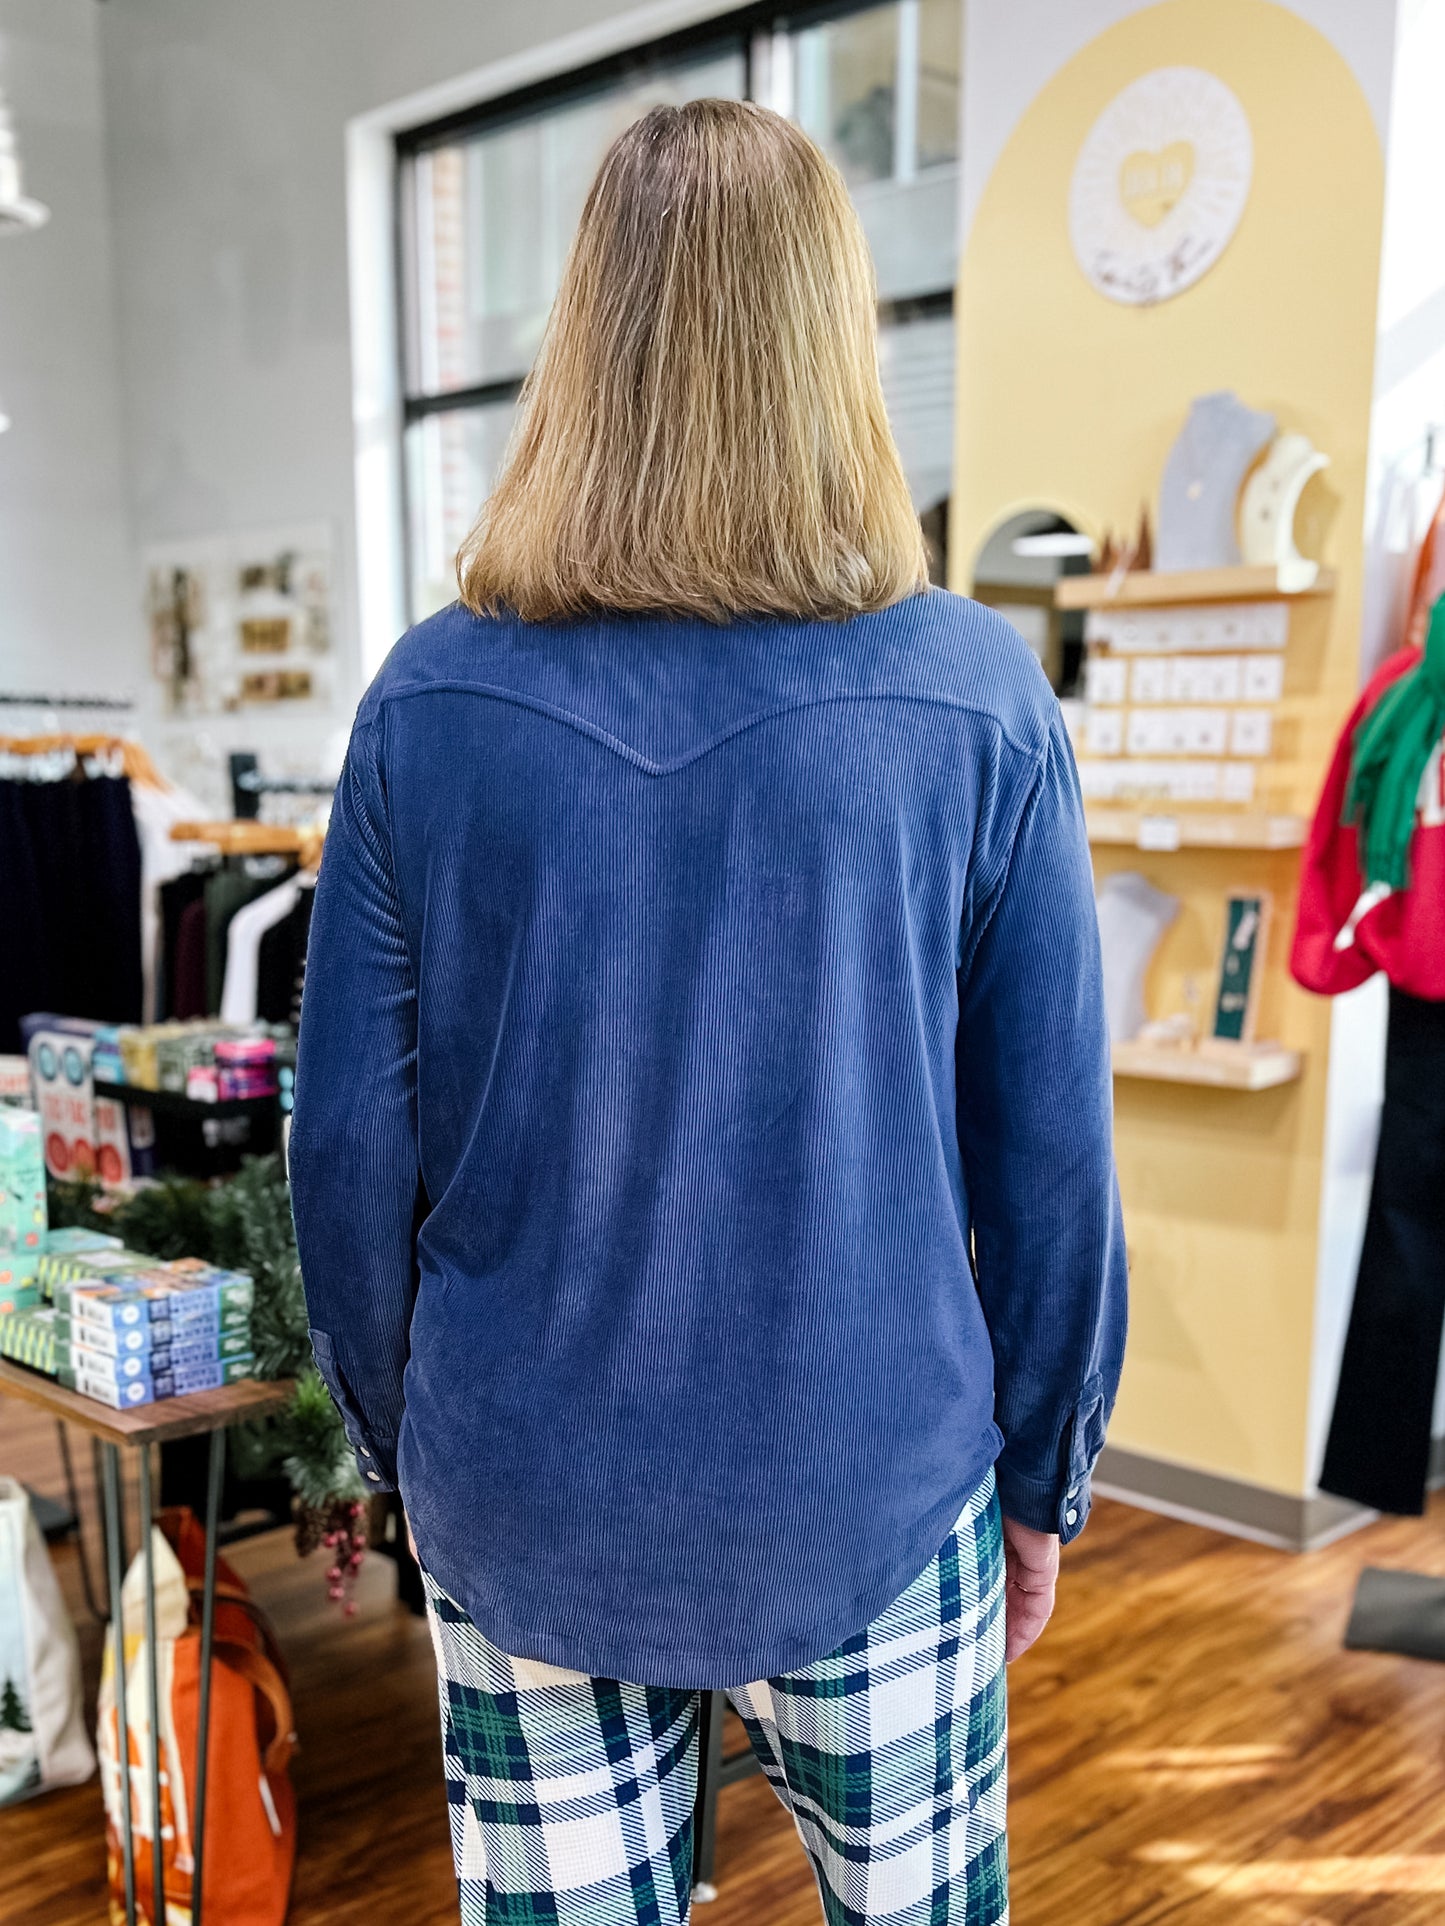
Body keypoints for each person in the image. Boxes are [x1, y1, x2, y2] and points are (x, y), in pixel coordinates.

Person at [290, 98, 1126, 1926]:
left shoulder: (426, 707)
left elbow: (346, 1150)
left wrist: (393, 1442)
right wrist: (1048, 1468)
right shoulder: (977, 698)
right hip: (874, 1488)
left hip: (526, 1495)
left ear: (581, 340)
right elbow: (1052, 1158)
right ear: (838, 340)